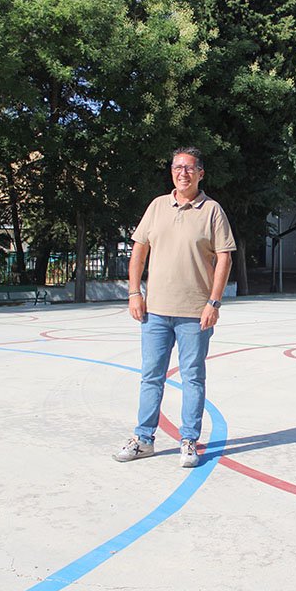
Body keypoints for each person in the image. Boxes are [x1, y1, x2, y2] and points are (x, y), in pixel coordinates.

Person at [113, 147, 236, 468]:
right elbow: (139, 250)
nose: (183, 173)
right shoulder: (156, 207)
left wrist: (214, 301)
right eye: (177, 167)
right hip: (154, 311)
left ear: (200, 174)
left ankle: (189, 440)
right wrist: (134, 292)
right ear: (171, 172)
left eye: (189, 168)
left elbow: (224, 257)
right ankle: (143, 439)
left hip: (196, 312)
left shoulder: (212, 210)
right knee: (151, 376)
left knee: (193, 377)